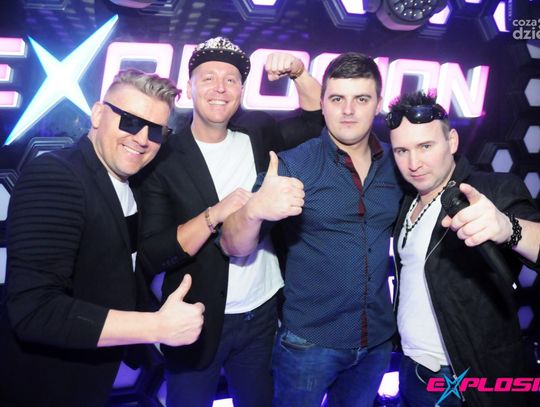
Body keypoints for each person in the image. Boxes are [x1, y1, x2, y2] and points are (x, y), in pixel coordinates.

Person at [136, 37, 324, 407]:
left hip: (262, 313)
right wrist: (214, 214)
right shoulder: (165, 155)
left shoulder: (259, 131)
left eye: (231, 80)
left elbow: (315, 120)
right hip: (195, 318)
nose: (220, 88)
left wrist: (299, 73)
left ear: (241, 90)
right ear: (190, 86)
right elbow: (154, 252)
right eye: (208, 78)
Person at [0, 69, 205, 407]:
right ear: (97, 114)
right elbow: (35, 311)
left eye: (155, 130)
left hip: (91, 378)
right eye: (129, 121)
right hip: (43, 384)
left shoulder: (130, 182)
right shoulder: (57, 176)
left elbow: (125, 263)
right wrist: (155, 327)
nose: (142, 138)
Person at [221, 52, 403, 406]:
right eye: (337, 99)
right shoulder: (294, 164)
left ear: (378, 104)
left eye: (361, 99)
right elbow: (232, 245)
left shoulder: (397, 164)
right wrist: (254, 210)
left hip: (377, 341)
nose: (348, 110)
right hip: (309, 344)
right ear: (322, 103)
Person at [386, 90, 540, 407]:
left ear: (452, 141)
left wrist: (507, 227)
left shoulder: (491, 189)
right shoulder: (408, 200)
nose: (413, 163)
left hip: (467, 378)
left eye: (425, 146)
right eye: (402, 150)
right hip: (412, 369)